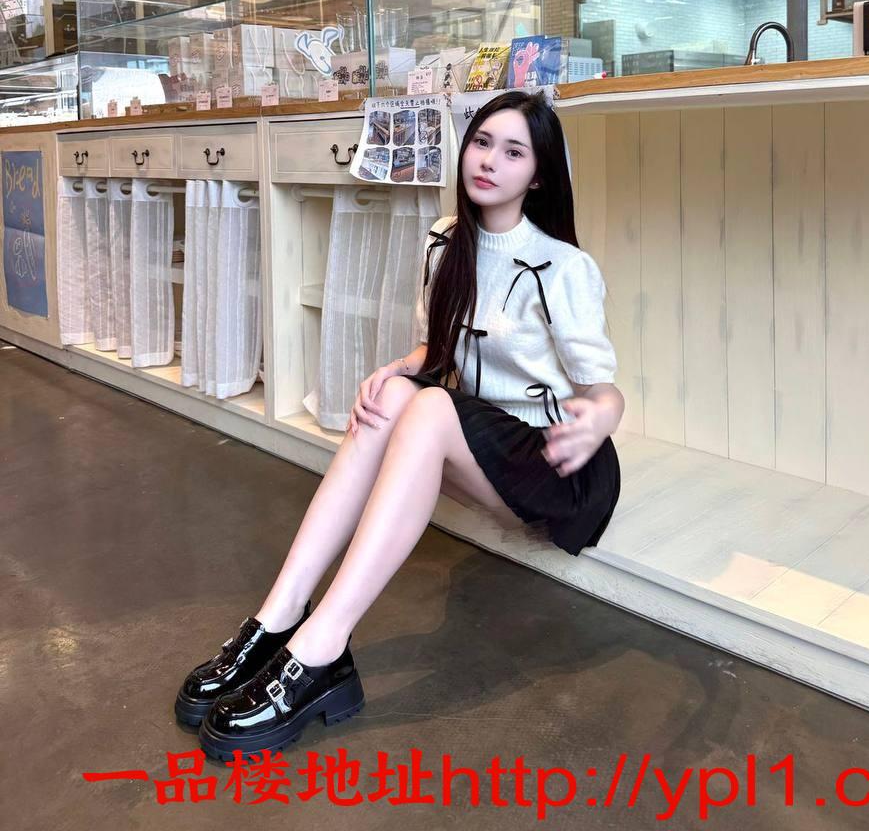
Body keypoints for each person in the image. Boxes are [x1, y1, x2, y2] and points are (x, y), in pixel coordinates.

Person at [176, 89, 625, 760]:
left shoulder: (563, 267)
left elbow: (603, 389)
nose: (489, 161)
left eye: (513, 152)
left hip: (559, 465)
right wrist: (399, 368)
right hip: (485, 445)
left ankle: (322, 645)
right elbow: (438, 349)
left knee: (429, 406)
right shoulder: (445, 241)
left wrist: (598, 419)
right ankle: (279, 616)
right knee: (396, 395)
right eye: (482, 143)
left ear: (539, 176)